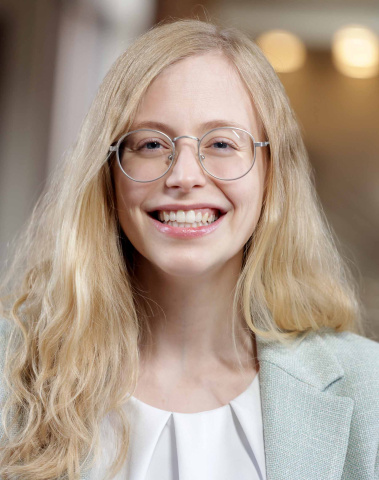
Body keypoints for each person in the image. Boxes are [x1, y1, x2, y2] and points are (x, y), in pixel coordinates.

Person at [0, 18, 378, 480]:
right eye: (152, 143)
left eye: (221, 143)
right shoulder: (11, 371)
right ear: (109, 174)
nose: (183, 175)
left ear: (271, 173)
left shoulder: (368, 386)